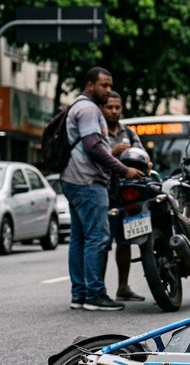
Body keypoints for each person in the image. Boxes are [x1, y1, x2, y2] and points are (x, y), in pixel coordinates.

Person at [61, 67, 144, 312]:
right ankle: (95, 294)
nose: (108, 91)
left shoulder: (78, 106)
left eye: (110, 86)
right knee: (97, 238)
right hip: (88, 181)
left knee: (79, 238)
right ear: (90, 86)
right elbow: (93, 147)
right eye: (104, 86)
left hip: (73, 179)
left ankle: (79, 294)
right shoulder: (87, 109)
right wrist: (123, 169)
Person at [101, 91, 148, 302]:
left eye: (117, 108)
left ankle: (123, 287)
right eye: (109, 107)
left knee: (125, 241)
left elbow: (142, 155)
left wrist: (146, 164)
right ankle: (98, 291)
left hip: (129, 195)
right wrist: (113, 151)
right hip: (105, 193)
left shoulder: (129, 133)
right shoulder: (98, 132)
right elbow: (94, 158)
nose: (113, 111)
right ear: (103, 108)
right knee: (102, 242)